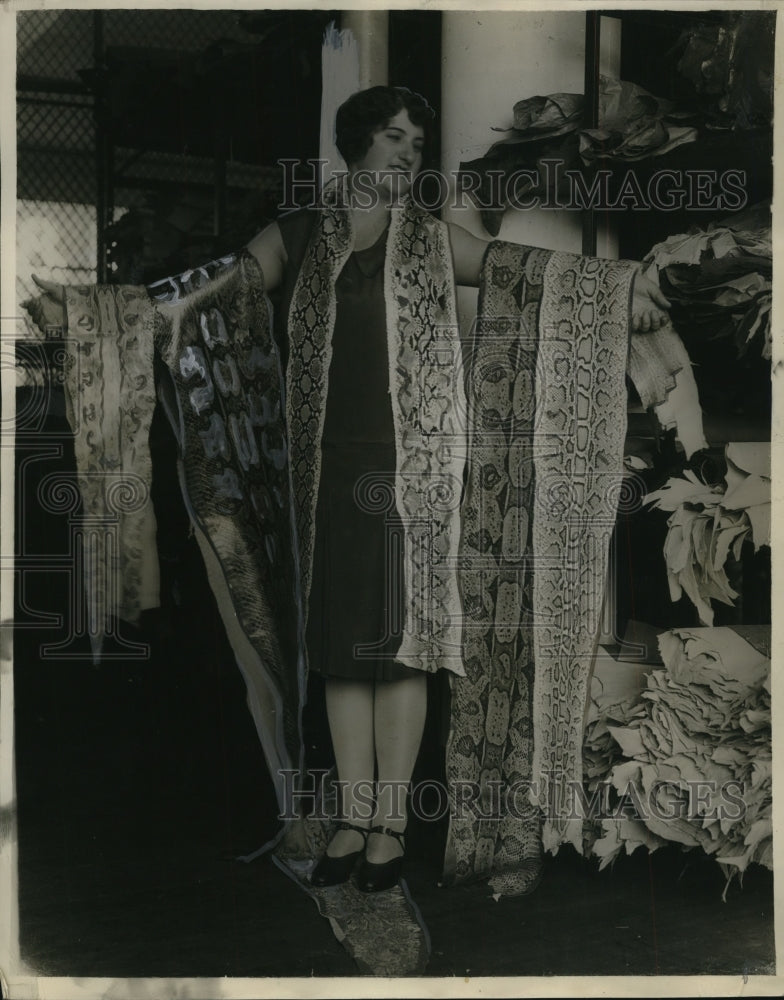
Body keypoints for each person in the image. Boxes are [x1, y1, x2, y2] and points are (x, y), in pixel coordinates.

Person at [24, 85, 671, 895]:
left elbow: (525, 269)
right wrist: (96, 313)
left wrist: (627, 285)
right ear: (354, 143)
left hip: (417, 477)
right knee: (340, 657)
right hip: (325, 470)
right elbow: (204, 294)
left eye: (416, 140)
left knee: (400, 651)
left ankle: (390, 826)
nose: (408, 153)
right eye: (394, 137)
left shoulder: (434, 241)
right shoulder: (297, 236)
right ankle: (354, 815)